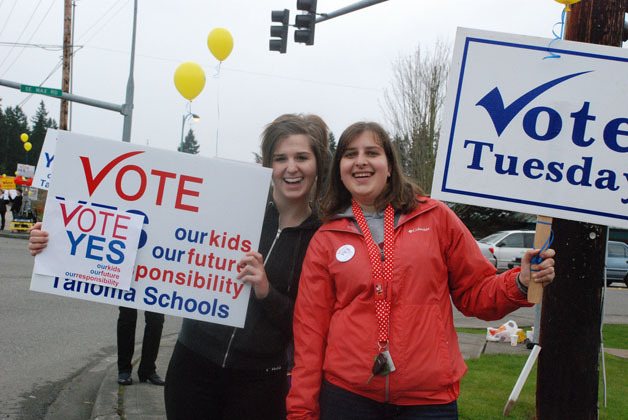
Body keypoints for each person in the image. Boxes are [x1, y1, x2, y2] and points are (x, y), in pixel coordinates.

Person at [287, 122, 556, 419]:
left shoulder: (435, 217)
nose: (361, 161)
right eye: (350, 154)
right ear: (340, 168)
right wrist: (302, 411)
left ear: (389, 165)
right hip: (348, 397)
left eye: (372, 152)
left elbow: (475, 294)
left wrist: (518, 282)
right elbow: (310, 333)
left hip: (428, 400)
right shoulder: (327, 237)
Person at [163, 113, 330, 419]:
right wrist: (55, 237)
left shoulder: (323, 238)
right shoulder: (233, 210)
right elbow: (161, 237)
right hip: (193, 362)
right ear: (269, 166)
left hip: (260, 382)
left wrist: (267, 292)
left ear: (317, 164)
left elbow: (313, 325)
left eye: (302, 157)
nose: (291, 168)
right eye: (280, 158)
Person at [28, 223, 166, 385]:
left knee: (156, 319)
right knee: (127, 316)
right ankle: (124, 369)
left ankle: (148, 369)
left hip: (155, 260)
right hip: (126, 254)